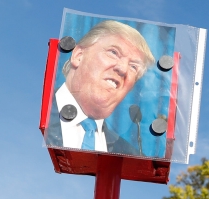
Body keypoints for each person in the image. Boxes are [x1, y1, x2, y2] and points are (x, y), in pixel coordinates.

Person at [46, 20, 155, 156]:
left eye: (133, 66)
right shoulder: (33, 109)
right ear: (79, 56)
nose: (123, 69)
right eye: (114, 52)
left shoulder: (130, 154)